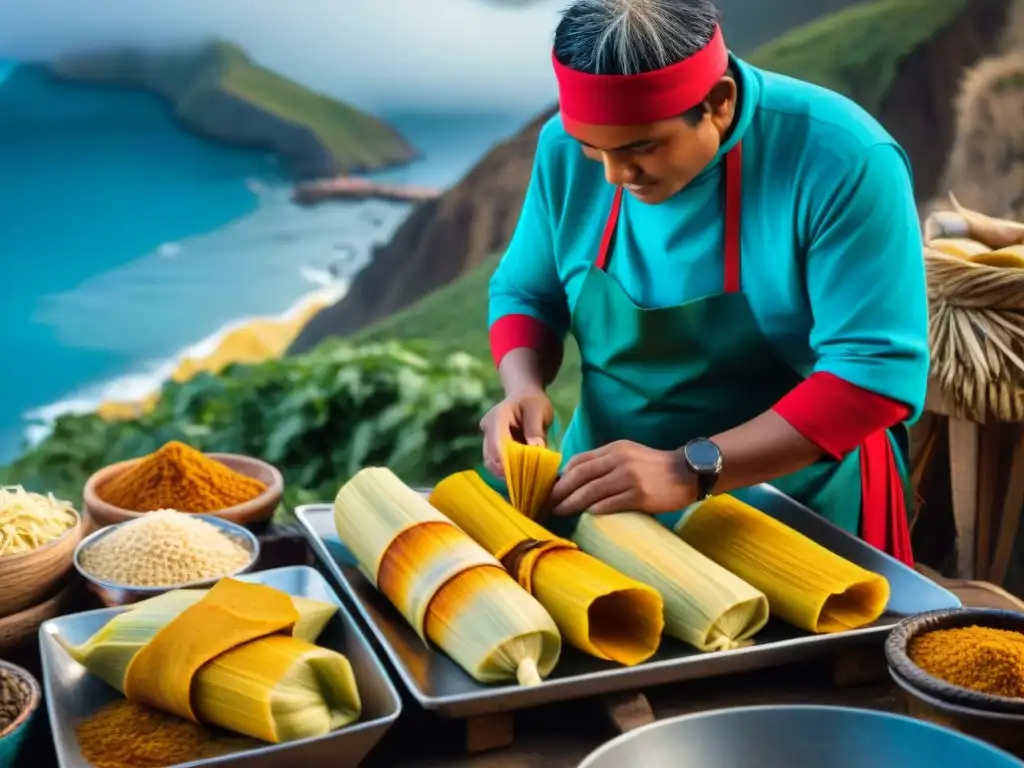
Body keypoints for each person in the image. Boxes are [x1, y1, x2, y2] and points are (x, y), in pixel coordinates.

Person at [480, 0, 928, 564]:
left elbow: (872, 374)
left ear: (718, 104)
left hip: (793, 510)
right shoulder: (564, 147)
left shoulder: (842, 158)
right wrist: (522, 387)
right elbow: (527, 293)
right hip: (608, 506)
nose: (616, 176)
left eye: (641, 147)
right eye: (595, 150)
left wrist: (686, 468)